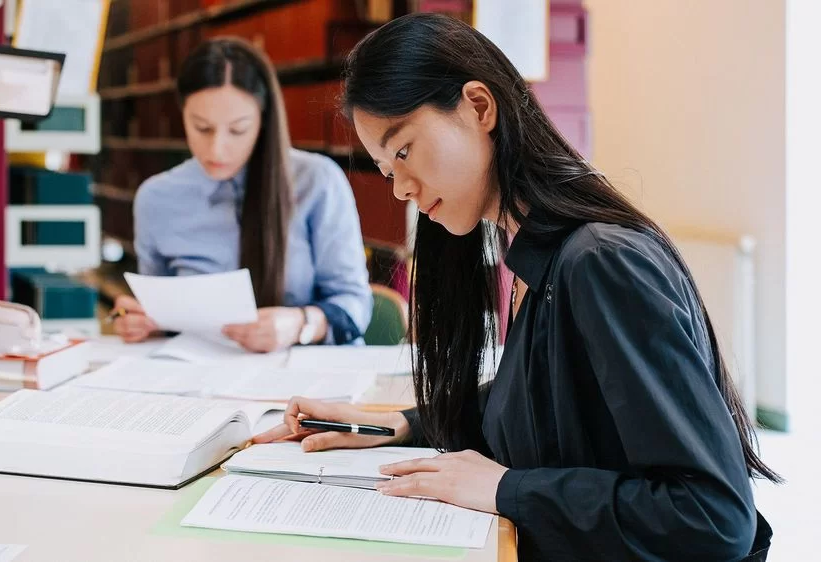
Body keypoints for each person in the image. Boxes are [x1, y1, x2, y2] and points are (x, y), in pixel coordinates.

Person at [255, 13, 777, 561]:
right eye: (387, 171)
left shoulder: (600, 263)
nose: (402, 189)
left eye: (403, 151)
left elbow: (712, 517)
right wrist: (399, 424)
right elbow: (535, 402)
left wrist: (506, 489)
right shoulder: (531, 254)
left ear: (479, 107)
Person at [113, 38, 372, 352]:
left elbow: (355, 307)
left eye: (237, 130)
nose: (216, 148)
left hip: (303, 375)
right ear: (182, 114)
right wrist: (139, 321)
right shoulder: (157, 198)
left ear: (263, 121)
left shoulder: (316, 181)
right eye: (201, 127)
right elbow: (159, 315)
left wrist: (299, 324)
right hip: (199, 377)